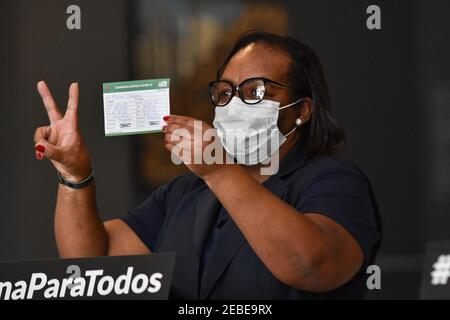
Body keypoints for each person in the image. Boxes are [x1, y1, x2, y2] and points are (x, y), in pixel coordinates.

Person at [33, 31, 381, 299]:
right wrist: (74, 175)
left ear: (302, 110)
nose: (233, 104)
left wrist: (218, 169)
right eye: (225, 92)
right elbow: (94, 264)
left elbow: (311, 266)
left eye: (256, 91)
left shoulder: (334, 183)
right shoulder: (186, 192)